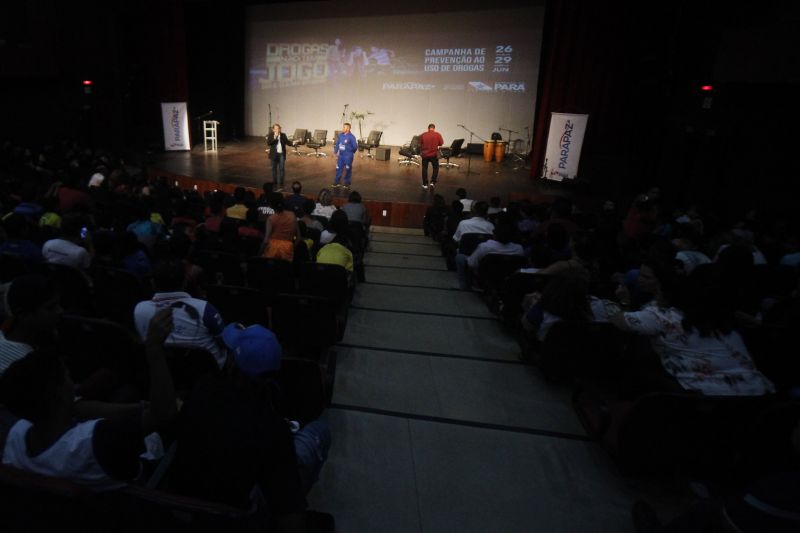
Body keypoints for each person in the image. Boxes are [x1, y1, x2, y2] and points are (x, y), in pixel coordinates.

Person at [332, 122, 358, 189]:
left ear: (348, 128)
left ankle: (347, 183)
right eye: (343, 127)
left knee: (347, 169)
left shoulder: (351, 137)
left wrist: (351, 152)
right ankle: (337, 182)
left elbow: (355, 146)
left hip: (348, 156)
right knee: (338, 169)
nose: (342, 128)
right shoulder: (340, 135)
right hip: (341, 156)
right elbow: (337, 144)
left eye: (344, 127)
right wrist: (335, 152)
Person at [419, 123, 444, 190]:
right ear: (434, 128)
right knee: (435, 168)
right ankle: (432, 182)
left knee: (424, 169)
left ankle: (425, 184)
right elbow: (441, 143)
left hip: (425, 155)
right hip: (434, 155)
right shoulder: (438, 135)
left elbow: (420, 143)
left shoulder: (423, 134)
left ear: (428, 128)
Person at [266, 123, 289, 192]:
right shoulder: (271, 135)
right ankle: (275, 182)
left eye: (278, 128)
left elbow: (287, 142)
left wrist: (293, 143)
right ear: (273, 129)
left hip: (281, 154)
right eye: (275, 128)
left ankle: (281, 182)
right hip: (274, 155)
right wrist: (275, 137)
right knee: (274, 169)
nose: (277, 130)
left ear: (280, 129)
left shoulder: (283, 135)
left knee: (281, 169)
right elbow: (269, 143)